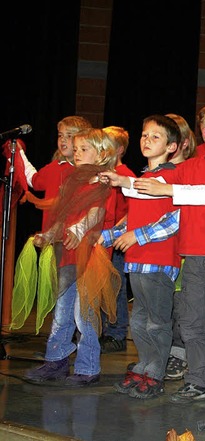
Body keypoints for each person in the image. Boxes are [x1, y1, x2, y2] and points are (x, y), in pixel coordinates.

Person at [105, 99, 205, 409]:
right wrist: (123, 182)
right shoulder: (191, 165)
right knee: (192, 324)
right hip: (192, 257)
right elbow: (155, 182)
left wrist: (170, 191)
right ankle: (197, 380)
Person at [23, 128, 120, 387]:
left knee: (84, 313)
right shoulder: (72, 181)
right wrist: (49, 234)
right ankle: (56, 360)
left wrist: (79, 228)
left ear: (101, 154)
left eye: (83, 149)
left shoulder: (104, 181)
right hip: (68, 253)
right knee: (62, 311)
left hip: (90, 257)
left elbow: (97, 213)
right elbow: (62, 216)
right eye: (75, 149)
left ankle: (88, 367)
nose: (77, 153)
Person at [101, 115, 182, 400]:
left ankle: (156, 373)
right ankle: (144, 367)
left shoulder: (173, 178)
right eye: (144, 135)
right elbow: (131, 219)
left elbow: (175, 220)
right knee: (138, 322)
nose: (147, 140)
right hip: (137, 261)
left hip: (159, 261)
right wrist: (106, 237)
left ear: (172, 147)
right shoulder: (141, 178)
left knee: (157, 321)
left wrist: (139, 236)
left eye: (155, 137)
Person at [163, 113, 198, 381]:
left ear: (182, 142)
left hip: (185, 249)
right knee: (161, 306)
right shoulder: (157, 172)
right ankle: (159, 355)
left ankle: (179, 355)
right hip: (160, 249)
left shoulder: (191, 171)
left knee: (182, 307)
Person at [18, 116, 92, 230]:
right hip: (50, 237)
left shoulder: (87, 172)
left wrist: (34, 200)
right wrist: (19, 154)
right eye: (60, 135)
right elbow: (34, 180)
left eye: (69, 136)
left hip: (73, 240)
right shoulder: (56, 166)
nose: (63, 140)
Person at [99, 126, 136, 354]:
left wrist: (115, 230)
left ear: (119, 149)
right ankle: (104, 329)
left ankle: (117, 333)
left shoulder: (125, 174)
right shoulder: (103, 173)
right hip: (103, 239)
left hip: (118, 240)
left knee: (116, 287)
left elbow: (133, 210)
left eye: (107, 144)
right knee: (103, 286)